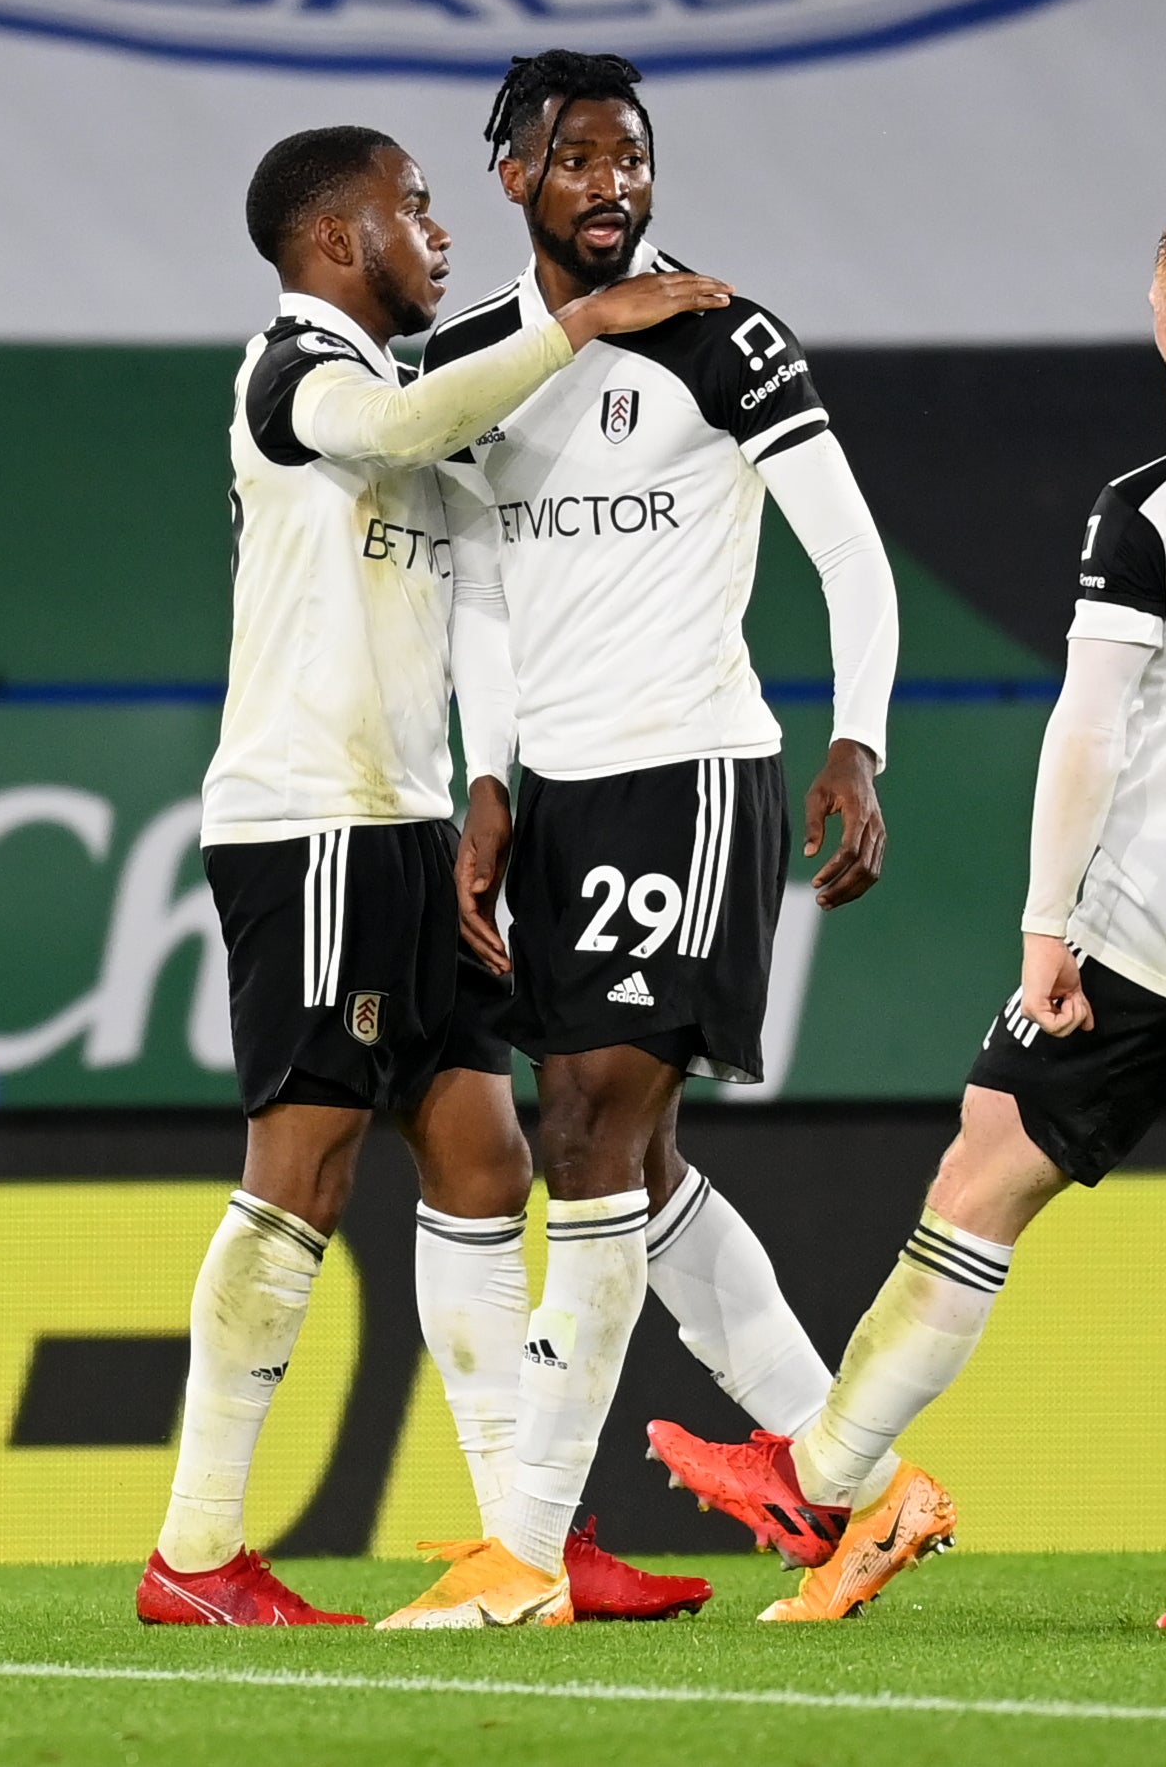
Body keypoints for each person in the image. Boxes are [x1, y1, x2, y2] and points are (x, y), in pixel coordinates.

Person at [650, 190, 1166, 1629]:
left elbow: (1089, 729)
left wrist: (1049, 922)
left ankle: (825, 1473)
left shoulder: (1157, 503)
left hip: (1154, 928)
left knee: (984, 1175)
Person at [140, 125, 730, 1626]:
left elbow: (476, 549)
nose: (440, 230)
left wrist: (484, 781)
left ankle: (517, 1546)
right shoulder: (292, 373)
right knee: (305, 1169)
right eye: (413, 207)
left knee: (482, 1159)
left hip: (402, 825)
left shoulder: (392, 395)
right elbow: (399, 437)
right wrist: (578, 320)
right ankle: (196, 1550)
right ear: (339, 241)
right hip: (313, 823)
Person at [375, 51, 902, 1631]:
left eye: (633, 159)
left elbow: (852, 556)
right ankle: (862, 1489)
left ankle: (525, 1553)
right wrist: (489, 781)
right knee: (630, 1159)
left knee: (590, 1141)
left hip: (694, 771)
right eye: (581, 159)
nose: (614, 185)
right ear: (515, 175)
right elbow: (478, 589)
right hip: (560, 796)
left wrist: (858, 739)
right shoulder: (471, 354)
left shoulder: (725, 336)